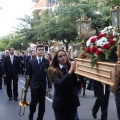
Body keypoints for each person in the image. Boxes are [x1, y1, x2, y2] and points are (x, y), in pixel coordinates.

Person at [47, 49, 80, 120]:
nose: (63, 57)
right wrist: (70, 71)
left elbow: (77, 83)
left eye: (64, 55)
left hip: (71, 102)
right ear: (56, 59)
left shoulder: (70, 66)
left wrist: (80, 76)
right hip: (60, 104)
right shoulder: (52, 70)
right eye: (60, 56)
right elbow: (59, 85)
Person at [28, 45, 51, 120]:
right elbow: (29, 74)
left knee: (42, 104)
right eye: (39, 50)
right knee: (34, 103)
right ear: (36, 51)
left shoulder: (46, 61)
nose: (41, 51)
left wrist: (50, 85)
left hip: (43, 86)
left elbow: (48, 74)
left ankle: (40, 118)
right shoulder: (31, 61)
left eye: (42, 50)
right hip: (34, 85)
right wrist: (27, 85)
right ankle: (31, 114)